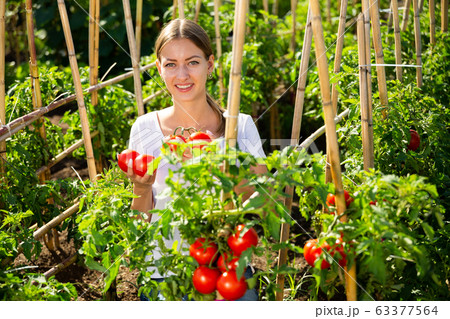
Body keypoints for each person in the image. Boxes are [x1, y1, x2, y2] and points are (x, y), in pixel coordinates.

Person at [125, 18, 266, 301]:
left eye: (192, 62)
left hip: (228, 269)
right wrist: (141, 189)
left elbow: (259, 205)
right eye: (171, 64)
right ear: (159, 69)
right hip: (164, 271)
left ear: (210, 65)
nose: (182, 75)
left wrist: (221, 162)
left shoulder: (240, 126)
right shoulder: (144, 128)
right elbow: (140, 223)